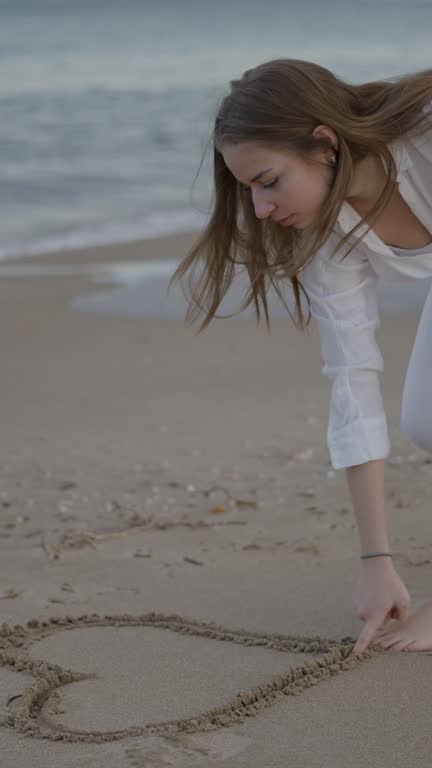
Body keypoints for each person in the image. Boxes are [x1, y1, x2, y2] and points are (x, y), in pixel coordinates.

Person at [169, 58, 432, 656]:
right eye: (248, 190)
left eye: (268, 181)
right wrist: (376, 561)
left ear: (324, 144)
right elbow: (353, 381)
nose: (260, 209)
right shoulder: (327, 236)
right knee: (426, 419)